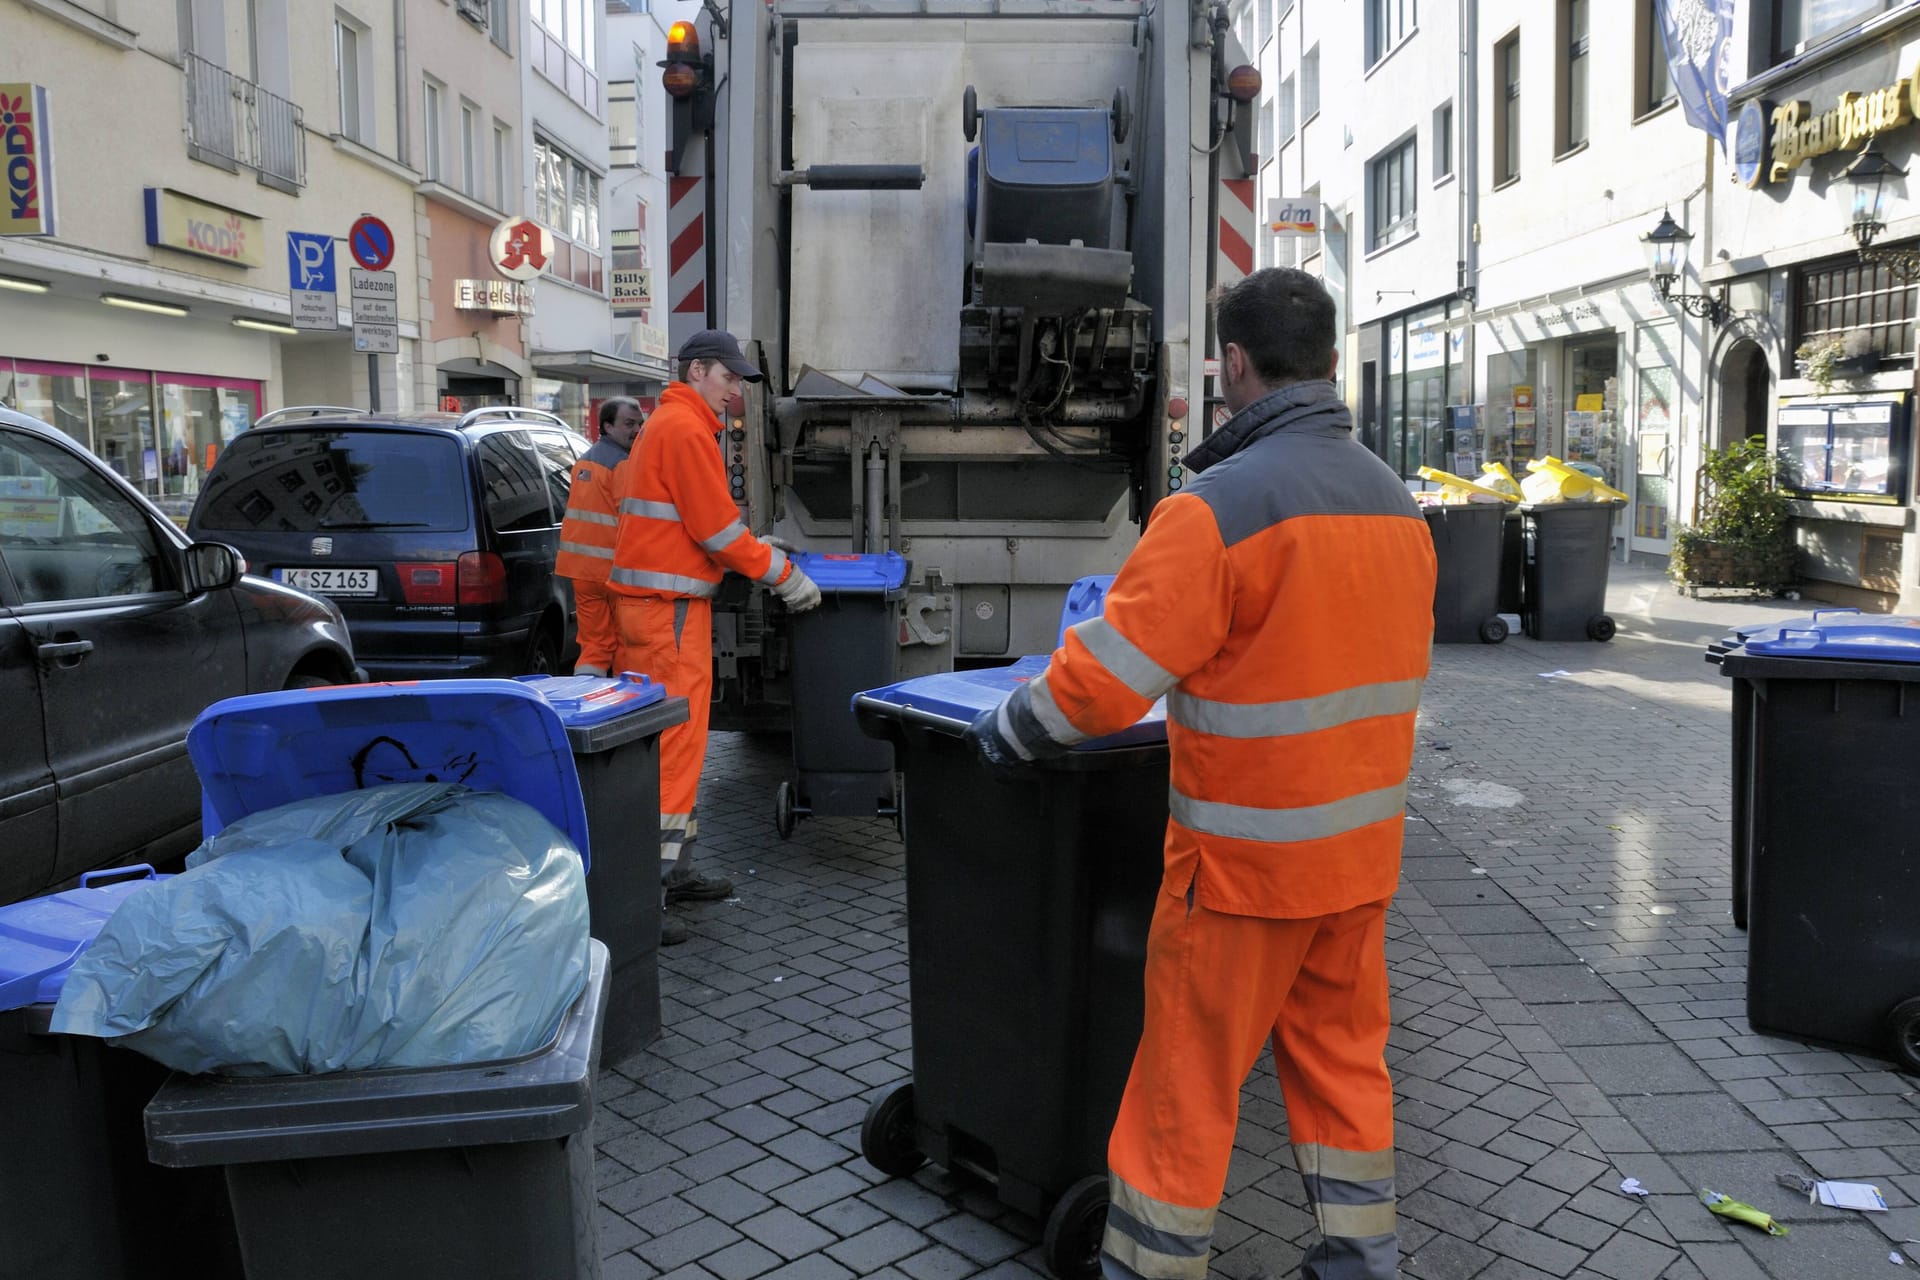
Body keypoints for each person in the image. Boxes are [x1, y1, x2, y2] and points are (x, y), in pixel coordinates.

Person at [964, 268, 1437, 1280]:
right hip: (1358, 861)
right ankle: (1363, 1258)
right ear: (1326, 358)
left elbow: (1106, 679)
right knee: (1343, 1061)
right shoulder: (1396, 502)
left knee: (1187, 1077)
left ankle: (1150, 1264)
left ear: (1232, 364)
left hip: (1241, 868)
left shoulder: (1215, 508)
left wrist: (1008, 729)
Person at [608, 330, 822, 937]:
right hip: (666, 613)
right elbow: (714, 533)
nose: (735, 390)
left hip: (665, 611)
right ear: (697, 370)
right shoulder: (683, 429)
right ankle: (644, 899)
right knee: (673, 751)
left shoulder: (680, 425)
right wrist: (784, 575)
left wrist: (756, 546)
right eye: (728, 377)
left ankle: (674, 875)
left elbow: (707, 526)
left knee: (683, 747)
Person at [557, 397, 644, 679]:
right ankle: (623, 712)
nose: (636, 430)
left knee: (594, 646)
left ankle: (587, 703)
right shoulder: (622, 465)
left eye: (640, 424)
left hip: (581, 573)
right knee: (624, 647)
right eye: (629, 424)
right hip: (613, 572)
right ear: (607, 426)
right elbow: (633, 518)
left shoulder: (583, 462)